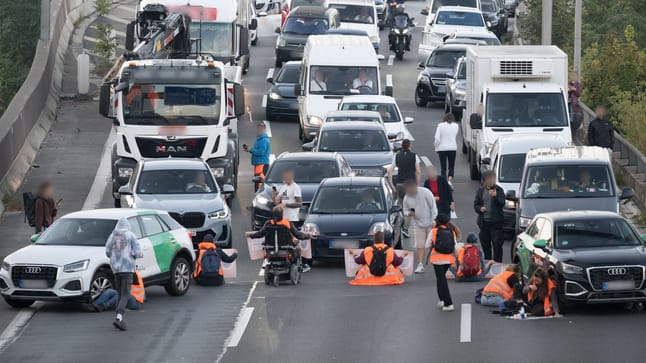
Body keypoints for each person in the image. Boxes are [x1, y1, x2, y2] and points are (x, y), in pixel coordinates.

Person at [105, 218, 142, 331]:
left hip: (116, 268)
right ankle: (119, 318)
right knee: (125, 294)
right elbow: (138, 251)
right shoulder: (130, 235)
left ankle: (118, 317)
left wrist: (115, 257)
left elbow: (107, 251)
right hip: (127, 268)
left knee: (119, 293)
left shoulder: (112, 236)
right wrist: (134, 255)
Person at [403, 179, 437, 273]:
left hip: (430, 222)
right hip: (418, 223)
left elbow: (433, 206)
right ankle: (420, 264)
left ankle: (437, 262)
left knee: (433, 244)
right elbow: (405, 210)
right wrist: (409, 213)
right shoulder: (407, 197)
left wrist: (434, 219)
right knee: (420, 245)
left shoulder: (425, 192)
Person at [429, 213, 460, 311]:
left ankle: (448, 303)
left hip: (437, 260)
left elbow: (426, 245)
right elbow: (455, 247)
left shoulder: (434, 231)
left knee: (441, 280)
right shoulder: (452, 232)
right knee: (440, 278)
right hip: (448, 259)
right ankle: (442, 299)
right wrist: (457, 260)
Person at [473, 170, 505, 262]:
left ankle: (497, 265)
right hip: (484, 223)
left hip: (496, 224)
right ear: (485, 180)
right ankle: (488, 264)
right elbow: (476, 205)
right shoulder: (481, 191)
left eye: (493, 178)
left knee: (497, 246)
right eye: (489, 179)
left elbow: (502, 203)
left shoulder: (499, 190)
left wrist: (495, 196)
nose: (491, 180)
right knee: (485, 246)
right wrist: (480, 209)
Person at [387, 139, 420, 204]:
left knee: (400, 203)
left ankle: (402, 213)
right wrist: (417, 184)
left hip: (400, 183)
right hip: (411, 183)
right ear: (409, 146)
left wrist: (392, 185)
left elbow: (389, 171)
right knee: (412, 203)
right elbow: (418, 172)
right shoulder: (414, 156)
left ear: (402, 146)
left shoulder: (397, 156)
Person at [244, 122, 271, 191]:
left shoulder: (264, 140)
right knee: (257, 182)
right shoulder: (259, 139)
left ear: (264, 129)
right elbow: (258, 150)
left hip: (261, 165)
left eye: (260, 129)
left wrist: (251, 149)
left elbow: (261, 152)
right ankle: (257, 195)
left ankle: (259, 196)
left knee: (259, 183)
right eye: (258, 128)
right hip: (259, 164)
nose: (258, 130)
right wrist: (250, 150)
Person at [434, 113, 459, 185]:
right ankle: (450, 181)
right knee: (451, 166)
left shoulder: (440, 126)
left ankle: (443, 181)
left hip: (442, 149)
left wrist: (436, 148)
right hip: (452, 148)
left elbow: (437, 138)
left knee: (443, 167)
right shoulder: (456, 126)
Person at [568, 71, 583, 138]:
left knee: (573, 118)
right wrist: (569, 89)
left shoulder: (578, 85)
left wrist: (574, 89)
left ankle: (572, 133)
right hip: (567, 101)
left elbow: (578, 94)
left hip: (573, 103)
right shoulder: (567, 83)